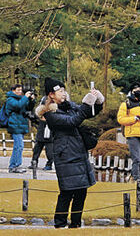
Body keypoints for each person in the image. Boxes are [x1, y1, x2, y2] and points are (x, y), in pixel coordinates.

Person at [36, 77, 104, 229]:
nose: (63, 93)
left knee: (81, 192)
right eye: (60, 91)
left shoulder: (68, 106)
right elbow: (72, 121)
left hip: (78, 152)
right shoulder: (49, 113)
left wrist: (97, 101)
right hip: (66, 155)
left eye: (64, 90)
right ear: (51, 94)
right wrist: (87, 103)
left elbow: (86, 113)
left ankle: (76, 225)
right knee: (67, 192)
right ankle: (60, 225)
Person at [4, 84, 34, 173]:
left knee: (19, 146)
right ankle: (14, 165)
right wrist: (25, 97)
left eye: (21, 90)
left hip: (20, 125)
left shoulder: (21, 99)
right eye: (18, 90)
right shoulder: (10, 99)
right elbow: (18, 106)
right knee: (19, 146)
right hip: (14, 125)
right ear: (13, 90)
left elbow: (28, 108)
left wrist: (31, 100)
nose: (20, 91)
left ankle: (14, 165)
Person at [27, 97, 53, 171]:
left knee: (50, 152)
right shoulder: (39, 112)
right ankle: (34, 163)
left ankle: (49, 164)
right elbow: (33, 118)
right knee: (36, 150)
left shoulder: (54, 112)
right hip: (41, 133)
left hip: (50, 135)